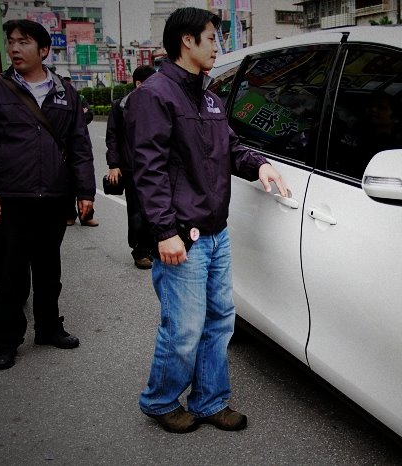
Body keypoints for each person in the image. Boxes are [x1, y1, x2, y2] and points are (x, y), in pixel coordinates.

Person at [127, 7, 287, 434]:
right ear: (187, 41)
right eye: (212, 38)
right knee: (184, 328)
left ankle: (209, 400)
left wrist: (259, 164)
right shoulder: (155, 95)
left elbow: (230, 148)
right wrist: (164, 231)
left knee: (220, 321)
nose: (218, 46)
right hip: (182, 235)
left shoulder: (210, 98)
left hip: (216, 232)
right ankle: (160, 400)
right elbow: (148, 170)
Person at [0, 20, 96, 370]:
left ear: (44, 50)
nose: (15, 48)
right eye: (11, 42)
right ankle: (6, 341)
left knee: (48, 268)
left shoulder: (65, 92)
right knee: (10, 272)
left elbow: (79, 145)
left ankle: (48, 328)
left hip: (54, 196)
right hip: (12, 197)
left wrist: (85, 192)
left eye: (24, 42)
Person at [105, 65, 156, 269]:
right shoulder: (120, 107)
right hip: (132, 167)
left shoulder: (159, 104)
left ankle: (154, 247)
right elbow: (112, 137)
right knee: (137, 211)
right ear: (138, 84)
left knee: (157, 208)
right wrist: (113, 164)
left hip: (156, 167)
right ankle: (140, 251)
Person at [60, 68, 98, 227]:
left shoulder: (78, 97)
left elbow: (88, 114)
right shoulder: (56, 98)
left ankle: (86, 216)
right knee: (67, 182)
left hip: (79, 141)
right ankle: (69, 214)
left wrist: (78, 118)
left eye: (68, 79)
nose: (66, 82)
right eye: (64, 79)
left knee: (84, 177)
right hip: (62, 147)